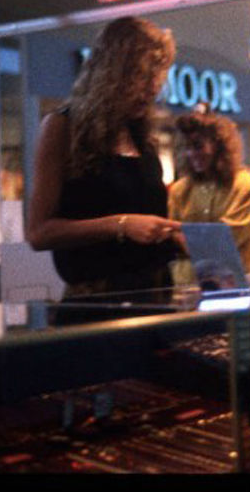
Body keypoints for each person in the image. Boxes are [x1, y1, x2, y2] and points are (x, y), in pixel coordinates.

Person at [26, 17, 182, 297]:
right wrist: (121, 224)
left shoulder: (142, 139)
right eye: (142, 76)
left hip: (155, 298)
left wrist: (174, 236)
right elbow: (38, 233)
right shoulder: (62, 127)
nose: (152, 88)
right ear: (111, 73)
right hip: (97, 302)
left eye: (157, 78)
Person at [168, 104, 250, 280]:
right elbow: (170, 234)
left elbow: (227, 239)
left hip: (231, 285)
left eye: (198, 146)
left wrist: (183, 238)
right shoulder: (179, 189)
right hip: (186, 284)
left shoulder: (245, 184)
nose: (191, 153)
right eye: (186, 147)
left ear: (220, 146)